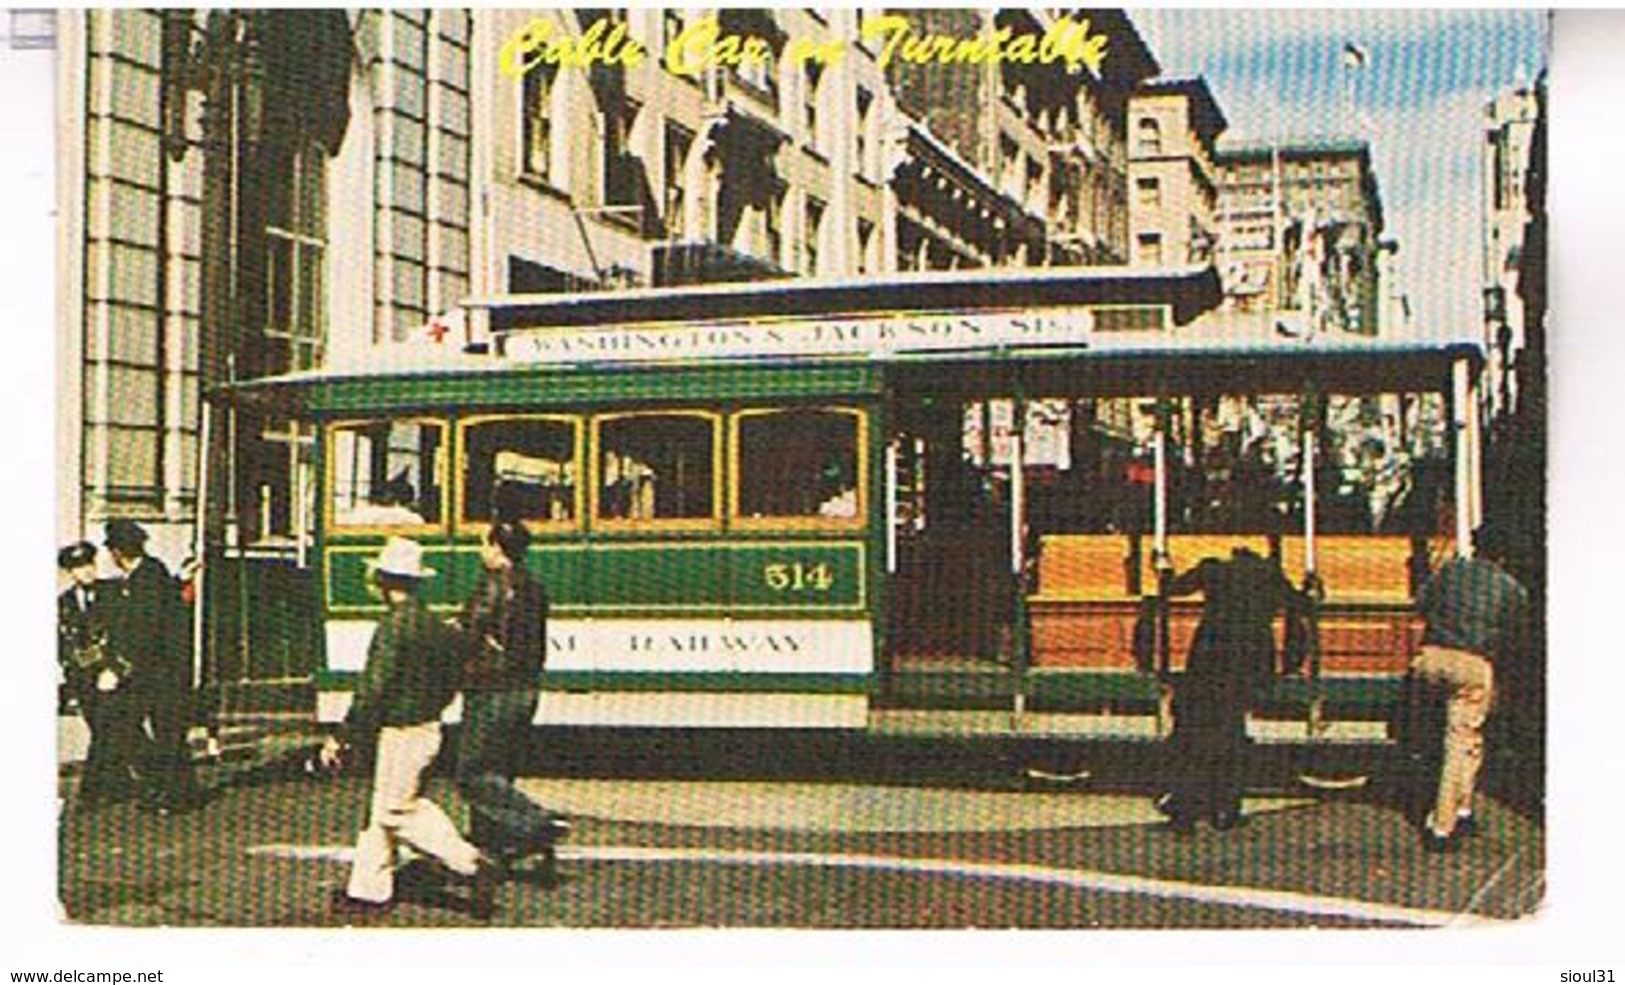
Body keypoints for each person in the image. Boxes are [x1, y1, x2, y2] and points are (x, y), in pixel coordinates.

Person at [323, 536, 500, 919]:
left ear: (384, 581)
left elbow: (374, 688)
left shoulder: (393, 627)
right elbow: (458, 671)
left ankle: (470, 863)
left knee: (395, 811)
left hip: (401, 731)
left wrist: (343, 734)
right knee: (381, 812)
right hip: (429, 725)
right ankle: (367, 890)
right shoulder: (435, 625)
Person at [1156, 546, 1305, 833]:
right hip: (1250, 659)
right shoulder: (1269, 573)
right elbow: (1297, 605)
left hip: (1210, 659)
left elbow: (1174, 589)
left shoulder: (1212, 569)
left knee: (1195, 732)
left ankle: (1185, 807)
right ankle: (1226, 807)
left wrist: (1164, 572)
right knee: (1232, 732)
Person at [455, 520, 570, 873]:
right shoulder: (534, 587)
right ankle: (489, 848)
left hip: (492, 689)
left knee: (471, 773)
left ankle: (537, 823)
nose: (480, 551)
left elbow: (468, 635)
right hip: (525, 689)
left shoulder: (493, 586)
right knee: (500, 769)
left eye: (483, 544)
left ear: (496, 547)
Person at [1411, 531, 1530, 852]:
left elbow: (1420, 604)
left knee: (1466, 743)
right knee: (1460, 743)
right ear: (1506, 557)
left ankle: (1463, 808)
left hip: (1430, 659)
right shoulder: (1511, 589)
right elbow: (1516, 635)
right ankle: (1442, 826)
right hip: (1472, 665)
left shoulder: (1450, 571)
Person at [103, 519, 201, 815]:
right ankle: (169, 789)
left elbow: (144, 630)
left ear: (118, 552)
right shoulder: (148, 574)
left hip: (159, 671)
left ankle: (174, 794)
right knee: (147, 729)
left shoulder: (146, 577)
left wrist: (120, 669)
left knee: (165, 733)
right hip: (152, 670)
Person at [58, 541, 144, 809]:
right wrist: (70, 674)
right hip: (83, 680)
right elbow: (62, 643)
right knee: (105, 730)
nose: (86, 571)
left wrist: (116, 669)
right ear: (70, 572)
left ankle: (90, 792)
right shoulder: (64, 602)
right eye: (79, 567)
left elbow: (127, 634)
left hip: (111, 674)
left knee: (106, 731)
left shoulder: (114, 592)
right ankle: (125, 784)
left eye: (89, 564)